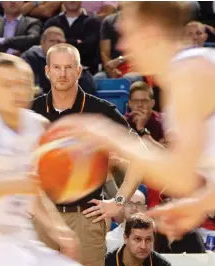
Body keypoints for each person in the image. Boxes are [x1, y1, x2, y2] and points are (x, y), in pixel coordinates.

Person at [0, 53, 129, 266]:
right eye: (6, 85)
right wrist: (13, 185)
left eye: (22, 83)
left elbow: (35, 189)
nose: (16, 91)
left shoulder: (37, 125)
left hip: (26, 245)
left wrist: (59, 230)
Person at [50, 2, 215, 238]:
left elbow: (181, 176)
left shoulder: (189, 73)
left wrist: (104, 133)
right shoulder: (189, 70)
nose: (121, 45)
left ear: (151, 32)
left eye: (127, 35)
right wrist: (200, 204)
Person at [32, 43, 138, 266]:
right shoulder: (32, 111)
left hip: (86, 220)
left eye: (69, 67)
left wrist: (118, 202)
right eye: (57, 67)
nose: (62, 73)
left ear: (79, 71)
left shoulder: (101, 111)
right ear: (47, 71)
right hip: (42, 219)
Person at [21, 26, 96, 94]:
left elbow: (90, 87)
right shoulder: (30, 58)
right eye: (52, 41)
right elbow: (32, 88)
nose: (55, 44)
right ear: (42, 43)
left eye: (59, 41)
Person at [44, 1, 101, 74]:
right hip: (55, 72)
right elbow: (47, 48)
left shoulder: (94, 23)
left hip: (86, 73)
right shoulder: (51, 23)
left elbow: (89, 49)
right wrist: (76, 42)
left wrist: (60, 44)